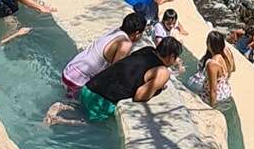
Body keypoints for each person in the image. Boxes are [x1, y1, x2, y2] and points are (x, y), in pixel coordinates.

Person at [46, 35, 179, 125]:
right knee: (87, 123)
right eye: (176, 58)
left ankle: (62, 106)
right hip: (103, 100)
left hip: (90, 86)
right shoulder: (162, 71)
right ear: (171, 56)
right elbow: (140, 96)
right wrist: (157, 89)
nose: (176, 61)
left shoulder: (148, 50)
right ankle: (59, 120)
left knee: (81, 108)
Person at [61, 13, 147, 96]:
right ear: (137, 33)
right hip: (78, 80)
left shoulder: (116, 31)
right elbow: (115, 70)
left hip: (69, 70)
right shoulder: (125, 44)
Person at [198, 30, 236, 109]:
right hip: (226, 92)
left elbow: (213, 90)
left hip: (215, 98)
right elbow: (233, 69)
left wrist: (212, 109)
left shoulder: (212, 64)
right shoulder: (226, 54)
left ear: (209, 44)